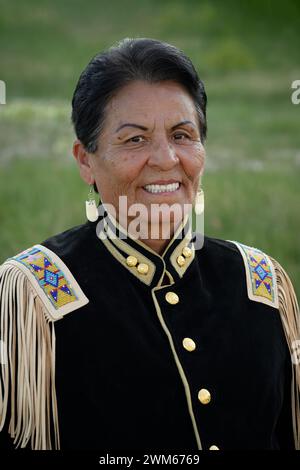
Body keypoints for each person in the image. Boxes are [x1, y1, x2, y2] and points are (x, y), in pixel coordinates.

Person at [0, 38, 299, 451]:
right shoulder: (34, 297)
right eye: (135, 140)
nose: (165, 159)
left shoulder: (261, 284)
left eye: (182, 134)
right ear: (85, 160)